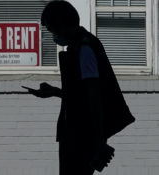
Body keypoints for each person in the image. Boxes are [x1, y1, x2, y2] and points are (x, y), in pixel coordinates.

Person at [22, 1, 135, 175]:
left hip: (81, 137)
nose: (53, 35)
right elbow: (82, 95)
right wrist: (54, 91)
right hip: (80, 134)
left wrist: (97, 142)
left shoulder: (84, 50)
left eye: (52, 29)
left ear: (62, 24)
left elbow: (94, 96)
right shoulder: (80, 48)